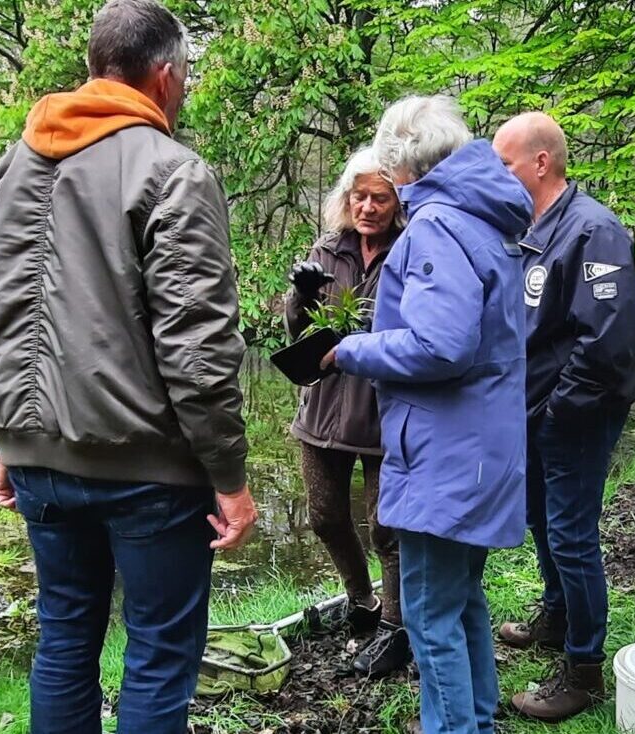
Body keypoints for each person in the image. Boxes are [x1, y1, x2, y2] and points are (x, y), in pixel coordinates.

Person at [0, 1, 254, 731]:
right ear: (165, 76)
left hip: (40, 465)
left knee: (67, 639)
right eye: (188, 77)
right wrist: (230, 479)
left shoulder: (2, 172)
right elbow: (198, 349)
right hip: (150, 473)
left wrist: (4, 440)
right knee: (160, 652)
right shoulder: (173, 171)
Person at [323, 94, 533, 734]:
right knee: (462, 597)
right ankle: (478, 719)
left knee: (427, 614)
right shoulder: (484, 217)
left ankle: (456, 727)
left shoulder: (440, 223)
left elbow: (443, 345)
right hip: (480, 448)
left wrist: (349, 349)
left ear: (400, 166)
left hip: (447, 454)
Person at [490, 112, 635, 722]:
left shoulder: (593, 230)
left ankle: (584, 669)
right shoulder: (529, 230)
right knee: (540, 520)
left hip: (574, 415)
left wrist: (558, 413)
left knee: (573, 535)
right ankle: (556, 618)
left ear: (540, 162)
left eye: (505, 164)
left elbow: (607, 345)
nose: (498, 175)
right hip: (532, 411)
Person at [281, 147, 412, 675]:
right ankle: (361, 601)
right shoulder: (327, 249)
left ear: (396, 203)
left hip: (382, 414)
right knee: (325, 516)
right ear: (346, 199)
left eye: (380, 197)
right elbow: (301, 335)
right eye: (359, 196)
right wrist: (300, 295)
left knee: (387, 527)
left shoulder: (409, 249)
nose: (368, 207)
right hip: (323, 409)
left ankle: (395, 627)